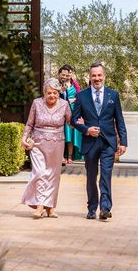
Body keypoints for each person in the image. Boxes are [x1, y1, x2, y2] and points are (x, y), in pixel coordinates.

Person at [71, 62, 127, 220]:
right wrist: (86, 130)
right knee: (91, 176)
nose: (97, 78)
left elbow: (119, 120)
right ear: (89, 77)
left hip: (108, 142)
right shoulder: (81, 96)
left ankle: (105, 208)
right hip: (90, 142)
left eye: (99, 75)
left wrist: (123, 141)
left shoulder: (113, 95)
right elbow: (74, 120)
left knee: (106, 175)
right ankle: (92, 208)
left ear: (104, 76)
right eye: (94, 75)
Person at [21, 78, 72, 219]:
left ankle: (50, 207)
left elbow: (70, 122)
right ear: (44, 93)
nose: (52, 96)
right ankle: (40, 206)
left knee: (53, 175)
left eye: (55, 93)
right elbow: (29, 123)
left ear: (59, 93)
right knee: (40, 172)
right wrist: (24, 137)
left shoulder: (64, 104)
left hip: (57, 143)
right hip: (38, 143)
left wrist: (82, 123)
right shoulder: (37, 103)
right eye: (49, 93)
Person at [57, 64, 82, 164]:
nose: (66, 77)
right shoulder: (56, 84)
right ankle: (61, 156)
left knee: (70, 133)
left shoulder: (74, 83)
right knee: (62, 134)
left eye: (68, 75)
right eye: (64, 75)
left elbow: (79, 95)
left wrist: (75, 100)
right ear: (59, 74)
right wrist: (61, 91)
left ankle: (70, 156)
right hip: (60, 111)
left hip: (72, 110)